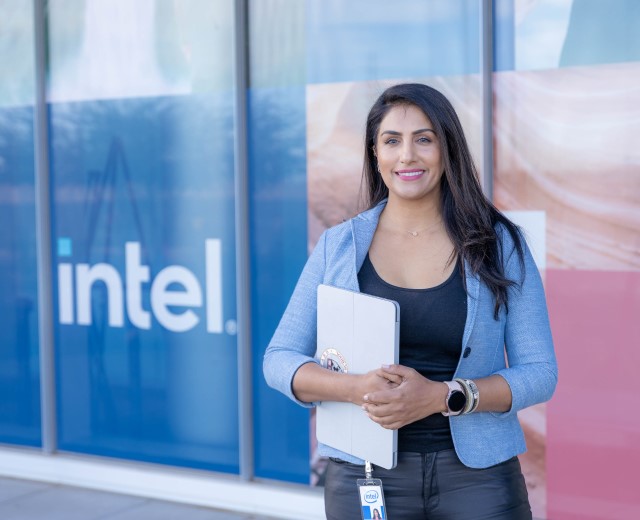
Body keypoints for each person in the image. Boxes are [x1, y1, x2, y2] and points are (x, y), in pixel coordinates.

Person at [263, 83, 557, 519]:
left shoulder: (499, 245)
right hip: (365, 474)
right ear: (375, 153)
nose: (407, 156)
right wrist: (355, 388)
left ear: (447, 148)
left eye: (424, 139)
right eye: (391, 141)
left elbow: (540, 372)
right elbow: (279, 360)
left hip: (478, 480)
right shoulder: (337, 246)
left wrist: (445, 397)